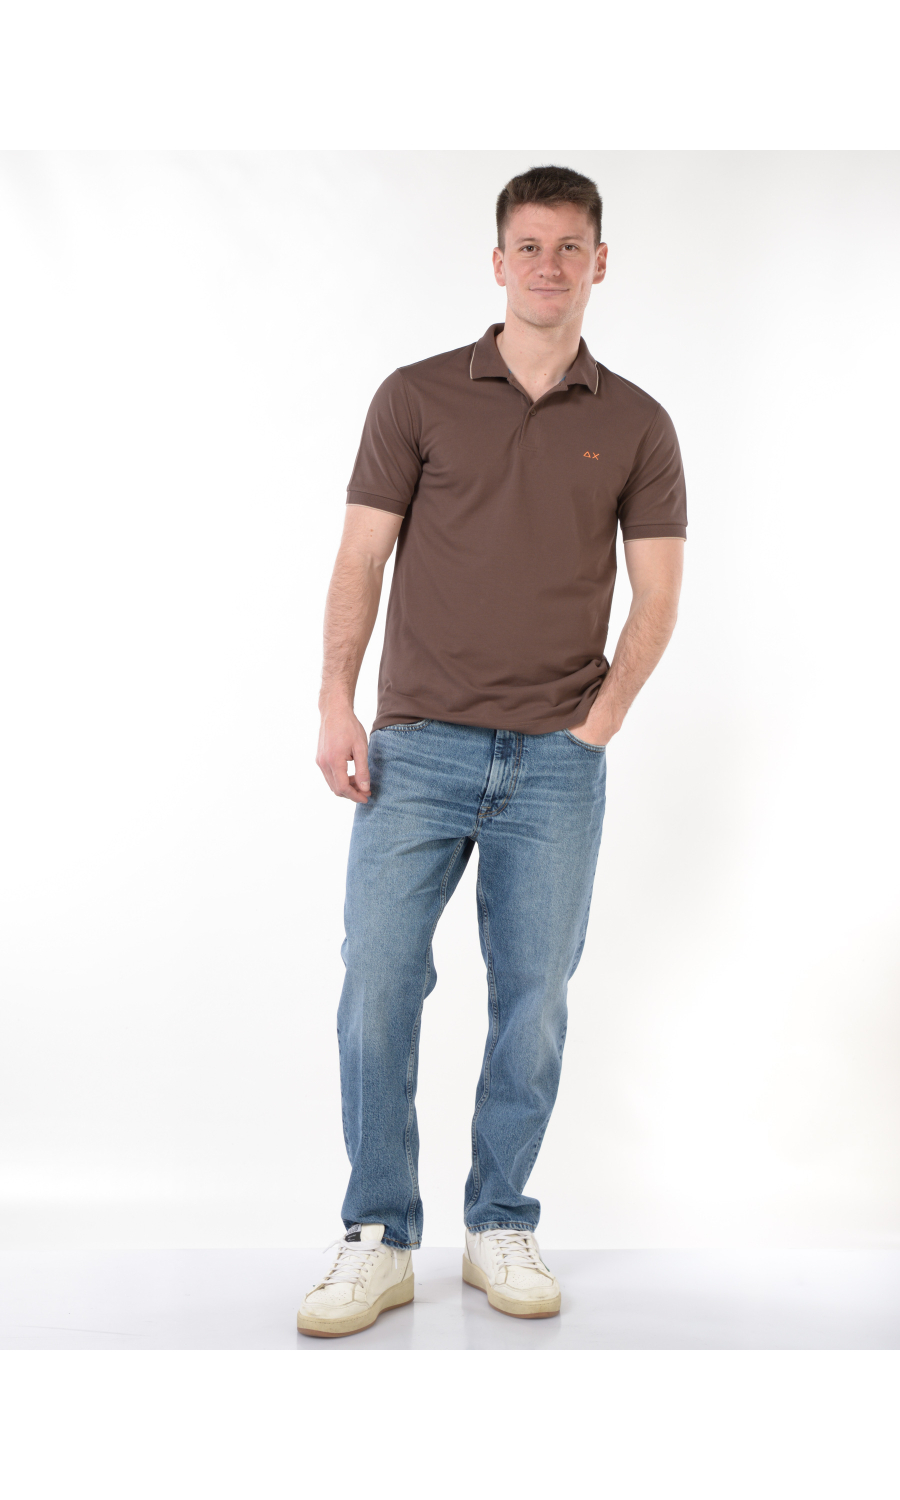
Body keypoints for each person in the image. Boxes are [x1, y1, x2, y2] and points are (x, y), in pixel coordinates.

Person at [297, 164, 687, 1338]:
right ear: (499, 260)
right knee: (378, 982)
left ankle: (499, 1222)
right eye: (529, 245)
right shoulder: (417, 396)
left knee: (535, 1003)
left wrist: (601, 720)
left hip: (556, 764)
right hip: (416, 748)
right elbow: (361, 557)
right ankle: (379, 1235)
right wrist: (337, 702)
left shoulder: (637, 423)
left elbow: (658, 594)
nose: (548, 266)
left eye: (570, 247)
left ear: (600, 262)